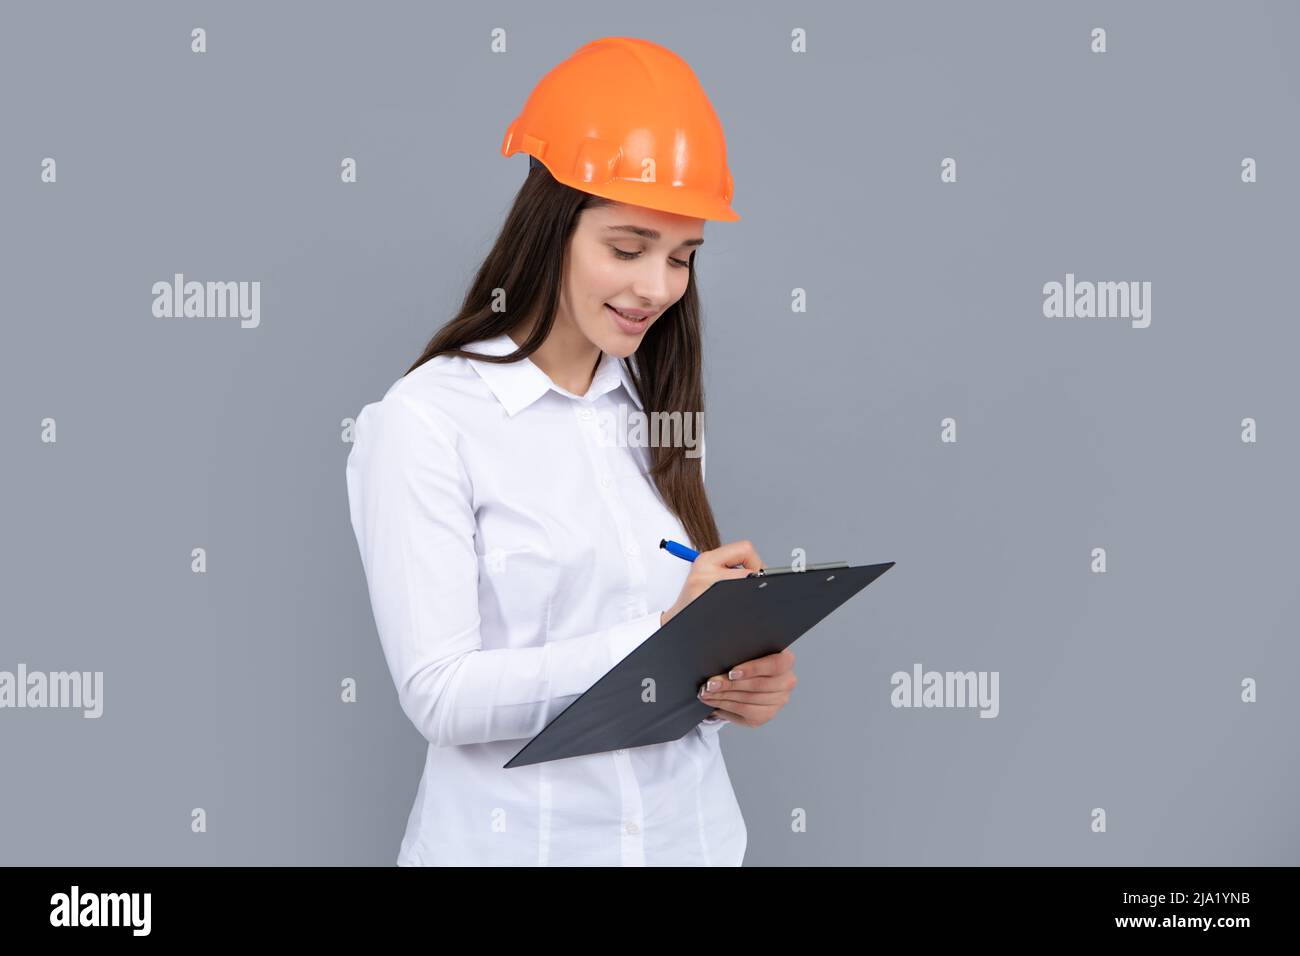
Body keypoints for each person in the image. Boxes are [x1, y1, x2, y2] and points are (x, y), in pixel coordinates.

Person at [345, 36, 798, 866]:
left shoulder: (648, 412)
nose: (657, 287)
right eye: (627, 249)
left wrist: (734, 684)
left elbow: (667, 668)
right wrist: (662, 633)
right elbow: (440, 696)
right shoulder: (426, 421)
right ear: (550, 229)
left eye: (682, 257)